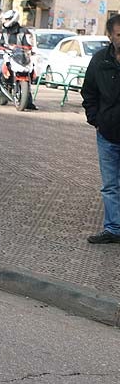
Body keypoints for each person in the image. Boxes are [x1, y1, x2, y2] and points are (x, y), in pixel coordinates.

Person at [80, 14, 120, 244]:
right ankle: (113, 229)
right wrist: (95, 119)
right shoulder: (99, 61)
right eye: (119, 34)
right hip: (107, 133)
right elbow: (89, 92)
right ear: (109, 36)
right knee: (110, 185)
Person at [0, 9, 38, 110]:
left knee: (29, 75)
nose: (4, 21)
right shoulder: (3, 31)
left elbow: (29, 44)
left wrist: (31, 50)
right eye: (5, 19)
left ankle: (29, 102)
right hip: (5, 56)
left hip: (19, 56)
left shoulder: (24, 31)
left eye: (7, 19)